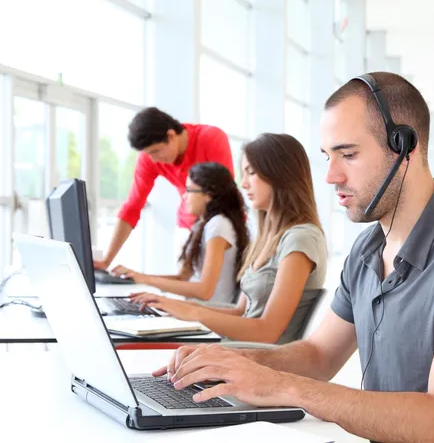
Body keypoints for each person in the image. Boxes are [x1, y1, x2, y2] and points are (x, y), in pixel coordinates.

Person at [154, 72, 434, 442]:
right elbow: (319, 355)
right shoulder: (368, 249)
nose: (331, 176)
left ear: (405, 147)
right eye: (327, 157)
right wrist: (226, 360)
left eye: (348, 154)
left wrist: (283, 386)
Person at [132, 133, 328, 345]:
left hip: (259, 360)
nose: (243, 184)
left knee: (148, 348)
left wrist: (191, 312)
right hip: (239, 349)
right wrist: (174, 306)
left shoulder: (301, 238)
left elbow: (267, 332)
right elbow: (240, 311)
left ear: (280, 174)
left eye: (251, 172)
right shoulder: (266, 238)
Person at [94, 107, 234, 271]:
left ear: (171, 135)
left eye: (155, 151)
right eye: (148, 154)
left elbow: (225, 196)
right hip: (187, 229)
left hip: (221, 228)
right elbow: (132, 207)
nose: (153, 159)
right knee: (183, 289)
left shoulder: (211, 138)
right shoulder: (149, 158)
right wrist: (106, 261)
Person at [111, 162, 249, 304]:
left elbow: (205, 291)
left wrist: (145, 280)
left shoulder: (218, 225)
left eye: (189, 190)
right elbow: (182, 277)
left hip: (209, 315)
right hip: (196, 310)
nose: (184, 196)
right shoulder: (204, 224)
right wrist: (137, 276)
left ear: (208, 195)